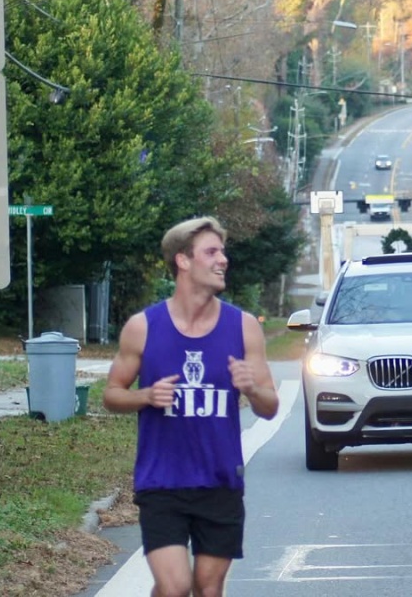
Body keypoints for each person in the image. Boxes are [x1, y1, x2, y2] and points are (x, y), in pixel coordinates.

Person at [103, 216, 279, 597]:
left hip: (219, 481)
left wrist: (252, 388)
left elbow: (270, 406)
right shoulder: (143, 326)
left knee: (207, 588)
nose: (223, 260)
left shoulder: (244, 327)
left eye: (223, 251)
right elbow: (111, 393)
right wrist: (145, 396)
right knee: (174, 586)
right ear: (183, 261)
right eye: (211, 252)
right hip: (162, 482)